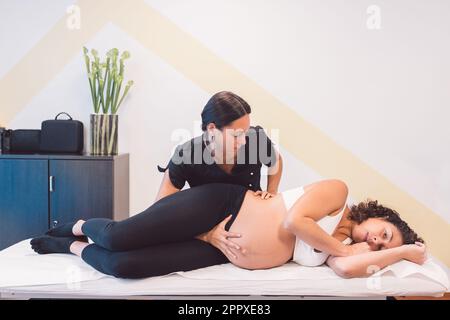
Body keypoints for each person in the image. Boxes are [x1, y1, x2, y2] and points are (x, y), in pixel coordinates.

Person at [31, 179, 426, 279]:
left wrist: (404, 252)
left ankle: (71, 249)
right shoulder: (337, 192)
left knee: (125, 268)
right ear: (380, 216)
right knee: (119, 237)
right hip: (221, 207)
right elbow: (294, 222)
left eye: (380, 245)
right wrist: (344, 249)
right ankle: (76, 225)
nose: (375, 241)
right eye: (385, 234)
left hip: (223, 250)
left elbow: (343, 268)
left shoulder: (342, 248)